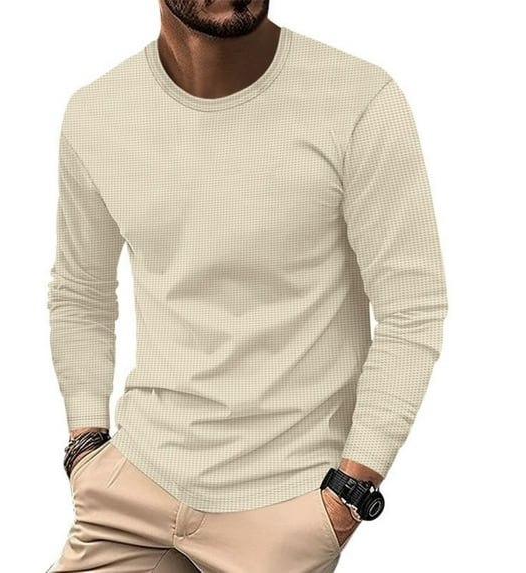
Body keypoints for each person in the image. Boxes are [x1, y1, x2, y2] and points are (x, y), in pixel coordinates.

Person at [46, 0, 448, 571]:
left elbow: (413, 307)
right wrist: (85, 444)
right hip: (134, 482)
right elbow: (80, 292)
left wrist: (350, 491)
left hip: (282, 505)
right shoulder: (98, 111)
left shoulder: (357, 99)